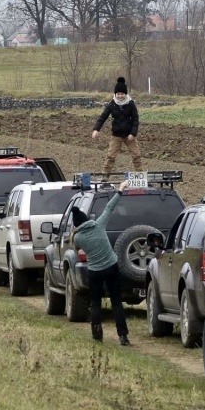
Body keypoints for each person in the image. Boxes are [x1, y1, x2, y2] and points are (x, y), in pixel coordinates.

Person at [71, 187, 130, 345]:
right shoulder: (99, 225)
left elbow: (76, 251)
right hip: (111, 267)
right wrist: (120, 190)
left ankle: (97, 336)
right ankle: (123, 336)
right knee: (116, 302)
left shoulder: (78, 238)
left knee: (95, 303)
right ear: (86, 219)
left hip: (94, 272)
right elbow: (109, 207)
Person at [92, 76, 142, 171]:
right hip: (116, 135)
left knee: (136, 156)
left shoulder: (131, 104)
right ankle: (105, 176)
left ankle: (140, 176)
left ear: (125, 94)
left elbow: (135, 119)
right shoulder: (112, 104)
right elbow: (102, 117)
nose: (120, 96)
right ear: (115, 94)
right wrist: (96, 129)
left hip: (129, 135)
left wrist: (133, 133)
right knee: (110, 156)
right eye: (118, 94)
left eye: (122, 94)